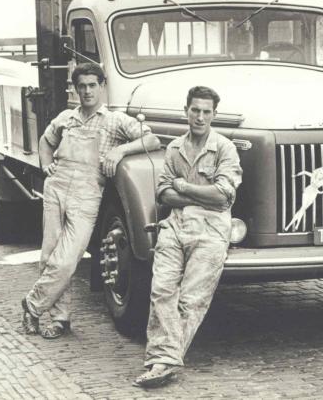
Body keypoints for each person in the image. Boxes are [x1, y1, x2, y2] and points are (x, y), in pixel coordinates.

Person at [21, 63, 160, 339]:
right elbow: (46, 141)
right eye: (81, 86)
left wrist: (120, 150)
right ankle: (60, 319)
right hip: (56, 187)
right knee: (49, 255)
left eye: (92, 85)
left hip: (87, 193)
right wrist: (46, 165)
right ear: (75, 89)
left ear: (102, 87)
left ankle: (32, 305)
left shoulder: (115, 121)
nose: (87, 91)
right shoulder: (66, 118)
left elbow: (151, 139)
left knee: (67, 259)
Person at [134, 86, 242, 388]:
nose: (200, 117)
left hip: (211, 229)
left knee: (192, 300)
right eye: (195, 110)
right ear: (186, 111)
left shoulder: (225, 149)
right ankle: (164, 361)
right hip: (176, 224)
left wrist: (183, 187)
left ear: (214, 114)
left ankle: (162, 362)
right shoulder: (174, 148)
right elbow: (162, 193)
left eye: (207, 111)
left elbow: (223, 197)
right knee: (161, 290)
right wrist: (198, 195)